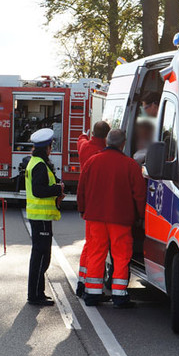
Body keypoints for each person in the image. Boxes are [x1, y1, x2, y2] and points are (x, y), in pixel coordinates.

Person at [77, 129, 146, 308]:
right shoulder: (130, 165)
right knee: (121, 255)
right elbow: (139, 194)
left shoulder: (92, 161)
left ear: (107, 142)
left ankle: (92, 293)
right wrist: (140, 216)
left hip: (95, 217)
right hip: (120, 219)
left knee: (96, 253)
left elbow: (81, 189)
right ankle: (119, 295)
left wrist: (82, 209)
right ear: (123, 144)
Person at [25, 128, 64, 306]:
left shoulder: (36, 162)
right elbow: (38, 190)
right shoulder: (40, 164)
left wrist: (56, 189)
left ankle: (37, 293)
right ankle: (35, 295)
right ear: (47, 147)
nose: (51, 149)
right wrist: (57, 189)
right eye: (51, 146)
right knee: (41, 257)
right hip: (40, 218)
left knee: (39, 256)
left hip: (40, 217)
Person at [74, 120, 111, 297]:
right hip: (104, 204)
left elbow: (80, 140)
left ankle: (82, 279)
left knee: (89, 244)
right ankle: (93, 284)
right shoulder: (105, 151)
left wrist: (83, 134)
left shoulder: (84, 147)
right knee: (100, 247)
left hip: (89, 204)